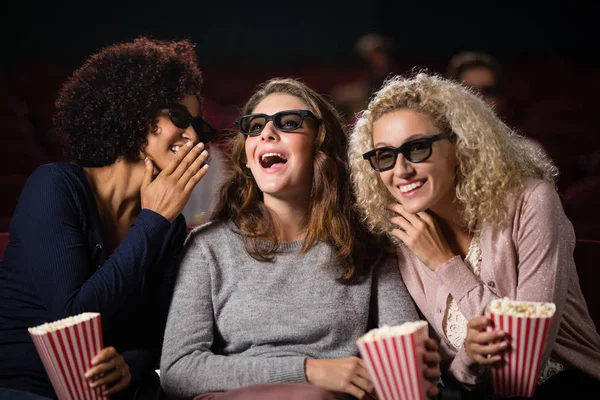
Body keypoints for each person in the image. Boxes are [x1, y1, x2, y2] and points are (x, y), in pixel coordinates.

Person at [160, 78, 441, 400]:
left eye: (289, 123)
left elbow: (401, 350)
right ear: (247, 159)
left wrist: (412, 367)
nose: (267, 133)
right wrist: (307, 370)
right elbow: (178, 369)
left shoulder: (366, 244)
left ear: (321, 147)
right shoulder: (207, 247)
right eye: (255, 126)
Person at [348, 72, 600, 398]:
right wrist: (469, 356)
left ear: (458, 146)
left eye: (418, 148)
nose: (401, 170)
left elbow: (526, 354)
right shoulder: (404, 239)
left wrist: (445, 262)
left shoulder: (532, 201)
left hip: (565, 384)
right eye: (385, 156)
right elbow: (450, 376)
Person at [0, 37, 213, 399]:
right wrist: (154, 218)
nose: (192, 135)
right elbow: (71, 318)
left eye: (198, 126)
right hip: (24, 388)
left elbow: (161, 330)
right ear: (135, 112)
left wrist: (132, 362)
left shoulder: (169, 223)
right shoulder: (55, 186)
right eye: (179, 117)